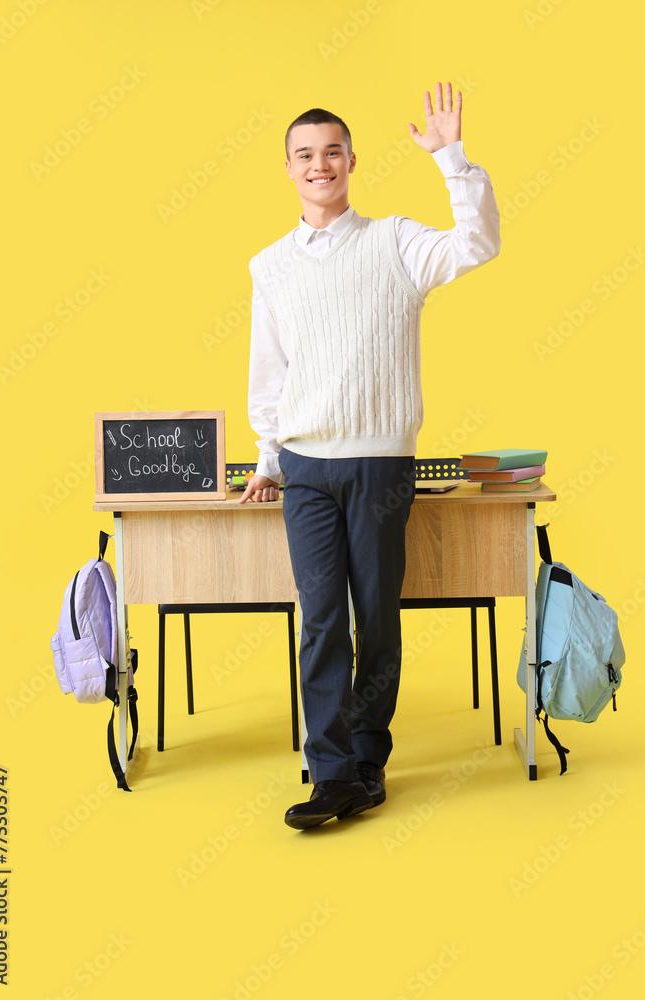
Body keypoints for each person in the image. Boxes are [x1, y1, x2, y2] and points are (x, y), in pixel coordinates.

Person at [239, 83, 500, 830]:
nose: (318, 165)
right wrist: (267, 455)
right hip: (306, 468)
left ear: (350, 160)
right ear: (287, 169)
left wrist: (450, 157)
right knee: (320, 620)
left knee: (375, 617)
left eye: (330, 152)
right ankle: (329, 775)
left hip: (382, 464)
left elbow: (477, 244)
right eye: (303, 155)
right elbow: (271, 368)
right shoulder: (270, 266)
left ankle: (366, 762)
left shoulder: (394, 242)